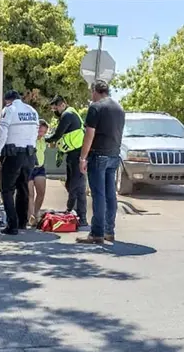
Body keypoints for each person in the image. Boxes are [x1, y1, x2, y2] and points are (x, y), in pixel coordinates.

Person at [77, 80, 125, 244]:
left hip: (98, 155)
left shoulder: (95, 107)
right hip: (113, 155)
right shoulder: (119, 108)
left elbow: (89, 134)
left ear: (95, 91)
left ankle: (96, 233)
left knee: (98, 195)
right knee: (110, 195)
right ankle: (108, 231)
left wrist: (83, 158)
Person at [0, 90, 39, 235]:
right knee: (23, 188)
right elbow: (35, 133)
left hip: (13, 155)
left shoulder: (9, 109)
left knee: (6, 189)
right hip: (30, 155)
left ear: (8, 100)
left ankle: (12, 225)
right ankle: (22, 223)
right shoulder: (32, 110)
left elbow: (1, 132)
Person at [46, 95, 88, 226]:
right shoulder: (70, 113)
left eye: (56, 109)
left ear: (62, 105)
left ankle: (75, 213)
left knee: (75, 186)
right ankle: (76, 214)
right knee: (72, 184)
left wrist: (43, 138)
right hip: (73, 154)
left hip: (77, 155)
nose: (55, 112)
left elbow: (57, 135)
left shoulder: (67, 115)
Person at [28, 119, 49, 226]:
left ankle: (36, 213)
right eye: (40, 131)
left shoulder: (43, 140)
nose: (42, 134)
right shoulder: (30, 139)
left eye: (44, 132)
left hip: (40, 168)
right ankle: (30, 217)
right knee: (30, 194)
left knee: (41, 192)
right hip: (29, 168)